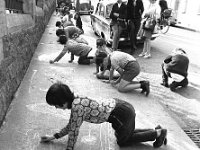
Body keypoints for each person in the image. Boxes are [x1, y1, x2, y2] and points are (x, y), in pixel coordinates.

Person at [41, 82, 168, 149]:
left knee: (123, 141)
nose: (56, 108)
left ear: (62, 102)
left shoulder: (77, 108)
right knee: (127, 133)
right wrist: (53, 137)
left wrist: (69, 149)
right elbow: (71, 126)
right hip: (121, 106)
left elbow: (73, 132)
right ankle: (157, 130)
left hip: (121, 114)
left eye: (55, 105)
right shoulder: (76, 99)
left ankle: (157, 134)